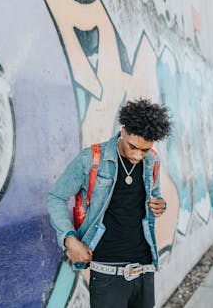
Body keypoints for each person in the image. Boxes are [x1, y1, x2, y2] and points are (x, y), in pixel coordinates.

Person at [47, 98, 172, 308]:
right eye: (133, 147)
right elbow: (56, 197)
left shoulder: (152, 161)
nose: (137, 155)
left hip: (145, 268)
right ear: (123, 131)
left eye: (145, 150)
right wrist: (69, 239)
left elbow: (154, 195)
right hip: (107, 272)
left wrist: (160, 204)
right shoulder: (92, 158)